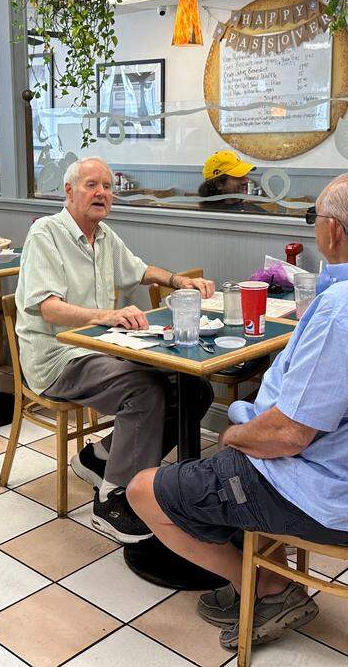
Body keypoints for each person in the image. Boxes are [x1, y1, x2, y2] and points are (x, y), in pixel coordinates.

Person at [127, 171, 348, 651]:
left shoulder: (341, 315)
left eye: (315, 218)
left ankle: (264, 588)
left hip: (333, 500)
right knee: (242, 460)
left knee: (145, 490)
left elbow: (285, 437)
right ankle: (263, 570)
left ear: (333, 231)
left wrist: (233, 436)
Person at [14, 156, 217, 542]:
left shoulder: (104, 235)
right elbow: (49, 308)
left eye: (107, 187)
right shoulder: (46, 235)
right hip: (57, 358)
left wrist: (178, 281)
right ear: (69, 191)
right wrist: (108, 315)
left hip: (100, 350)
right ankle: (112, 501)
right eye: (91, 185)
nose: (102, 193)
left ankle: (99, 457)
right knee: (145, 391)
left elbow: (139, 270)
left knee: (193, 390)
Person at [197, 150, 264, 213]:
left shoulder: (248, 210)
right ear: (219, 184)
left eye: (245, 175)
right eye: (238, 177)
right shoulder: (212, 217)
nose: (246, 181)